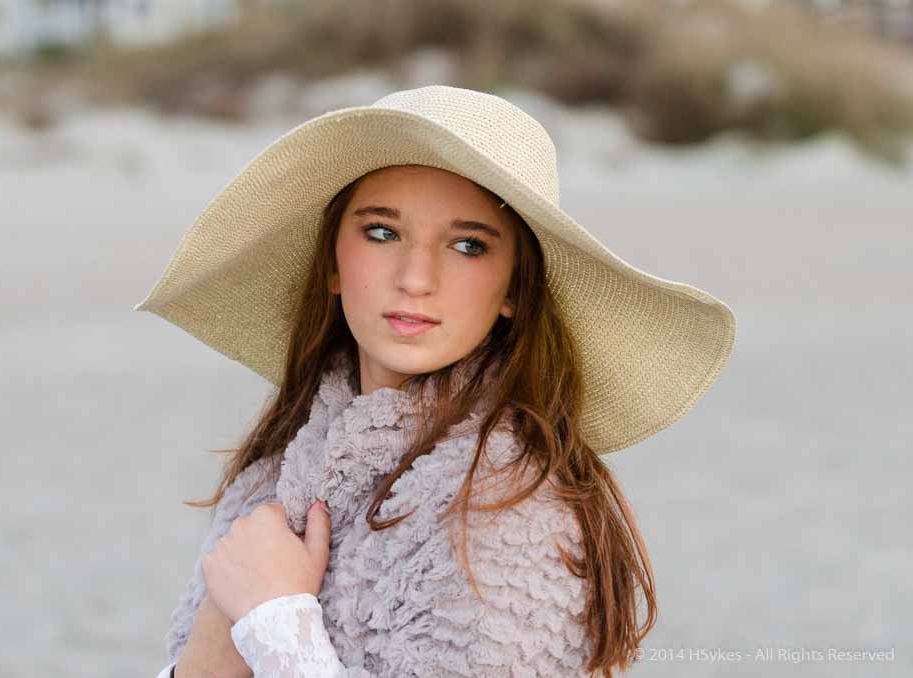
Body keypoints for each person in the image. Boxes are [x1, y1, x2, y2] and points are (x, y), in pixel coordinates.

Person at [134, 85, 737, 677]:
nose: (416, 277)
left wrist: (275, 622)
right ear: (332, 264)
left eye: (469, 245)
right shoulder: (276, 473)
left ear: (515, 291)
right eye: (381, 232)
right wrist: (222, 622)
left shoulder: (508, 505)